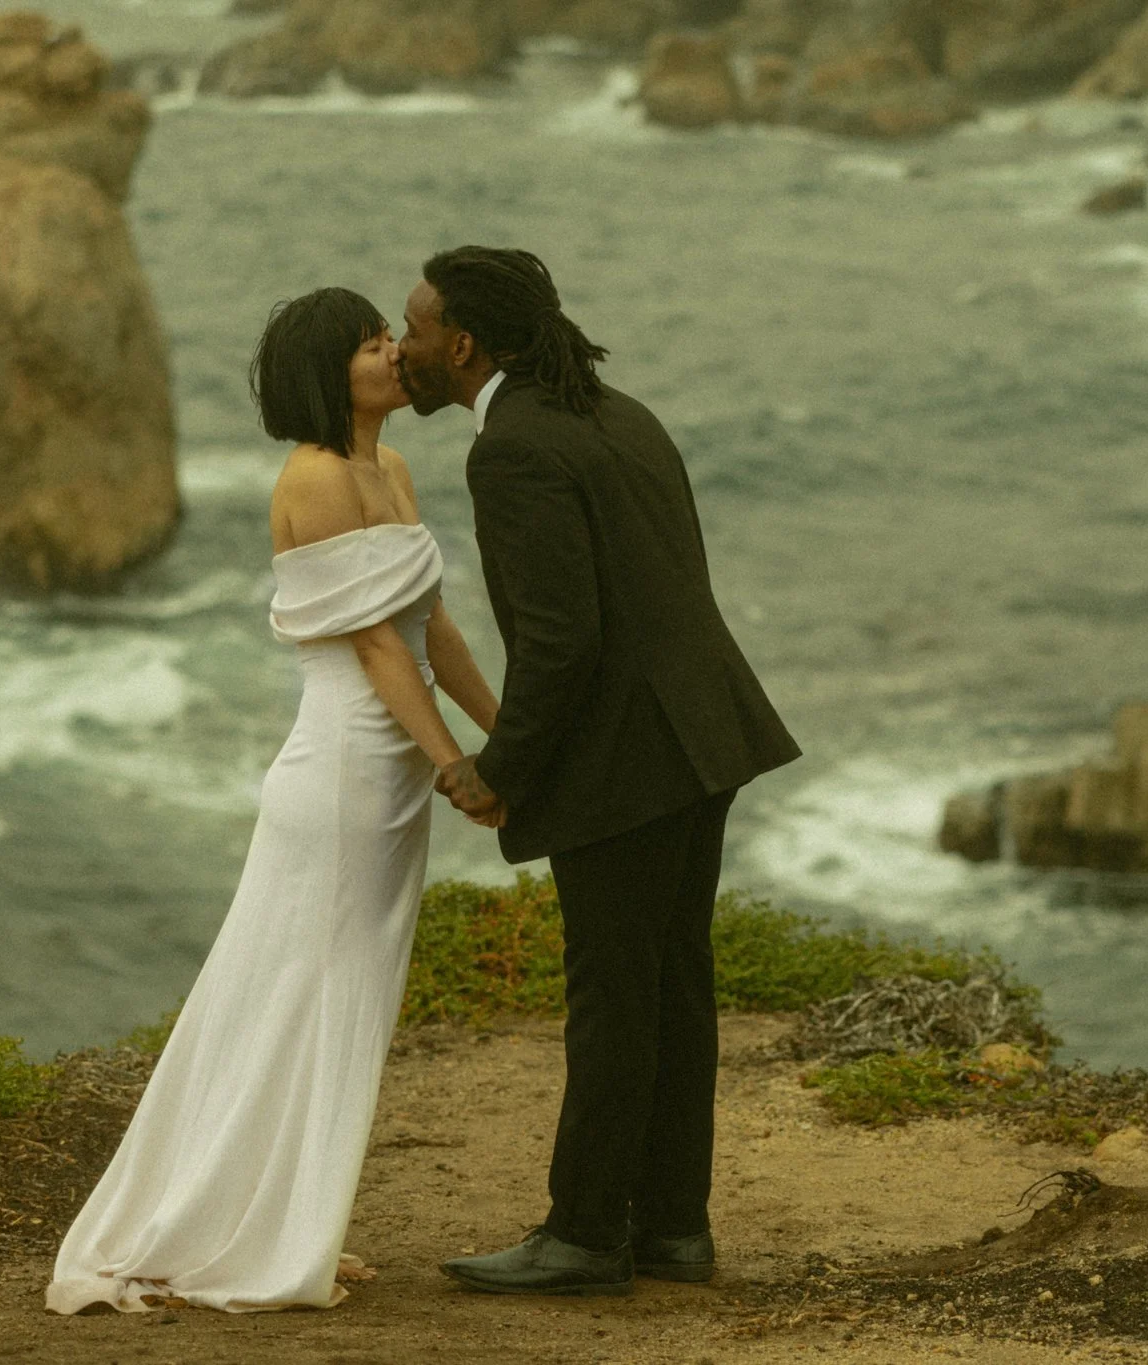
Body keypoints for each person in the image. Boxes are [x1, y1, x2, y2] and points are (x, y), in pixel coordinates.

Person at [46, 287, 501, 1314]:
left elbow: (432, 630)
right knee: (308, 997)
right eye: (368, 344)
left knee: (345, 998)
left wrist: (501, 735)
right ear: (323, 369)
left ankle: (292, 1224)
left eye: (390, 336)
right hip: (344, 767)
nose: (392, 353)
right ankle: (260, 1235)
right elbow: (375, 645)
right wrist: (451, 762)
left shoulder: (391, 468)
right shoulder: (315, 479)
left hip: (389, 767)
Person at [397, 246, 802, 1296]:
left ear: (463, 343)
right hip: (699, 736)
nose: (401, 349)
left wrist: (500, 768)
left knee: (614, 997)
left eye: (412, 330)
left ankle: (582, 1232)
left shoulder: (512, 452)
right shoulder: (622, 415)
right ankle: (670, 1228)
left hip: (625, 760)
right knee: (671, 987)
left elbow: (561, 639)